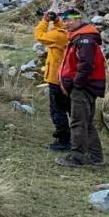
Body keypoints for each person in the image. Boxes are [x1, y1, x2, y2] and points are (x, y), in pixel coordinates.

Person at [55, 8, 106, 167]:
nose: (66, 24)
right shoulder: (80, 37)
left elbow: (86, 66)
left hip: (83, 88)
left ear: (78, 19)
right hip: (86, 87)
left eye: (69, 20)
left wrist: (76, 85)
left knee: (78, 122)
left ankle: (77, 157)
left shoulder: (84, 39)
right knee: (86, 121)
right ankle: (95, 156)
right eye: (64, 20)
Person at [34, 11, 69, 151]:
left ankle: (64, 140)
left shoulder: (57, 36)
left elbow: (39, 35)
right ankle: (73, 138)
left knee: (57, 110)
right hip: (67, 78)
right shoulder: (68, 33)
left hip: (56, 78)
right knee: (67, 109)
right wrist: (56, 21)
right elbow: (62, 28)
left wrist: (44, 21)